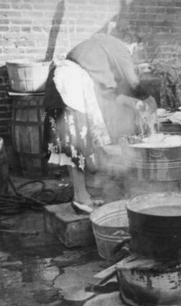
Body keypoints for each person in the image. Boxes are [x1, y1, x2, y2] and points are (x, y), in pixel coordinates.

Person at [44, 33, 153, 213]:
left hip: (63, 84)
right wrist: (149, 100)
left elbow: (106, 93)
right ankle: (81, 198)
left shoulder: (100, 45)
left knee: (73, 143)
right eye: (136, 50)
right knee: (74, 144)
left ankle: (81, 196)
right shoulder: (119, 46)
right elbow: (133, 82)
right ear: (135, 44)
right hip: (68, 86)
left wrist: (128, 102)